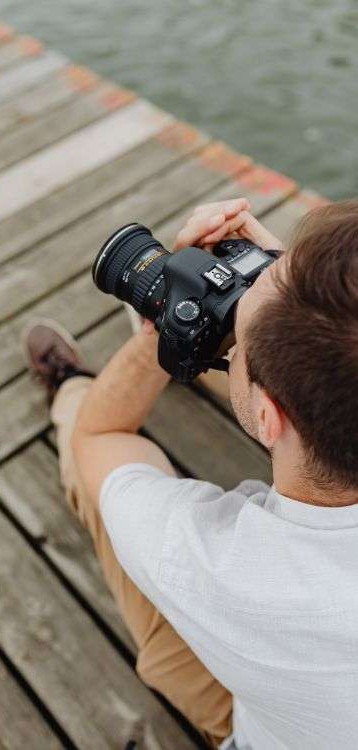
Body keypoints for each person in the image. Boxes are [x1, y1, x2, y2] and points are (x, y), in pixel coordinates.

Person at [25, 198, 358, 750]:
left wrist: (165, 327)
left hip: (252, 722)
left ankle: (70, 386)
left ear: (270, 420)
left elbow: (103, 438)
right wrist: (302, 297)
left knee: (91, 454)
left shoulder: (224, 573)